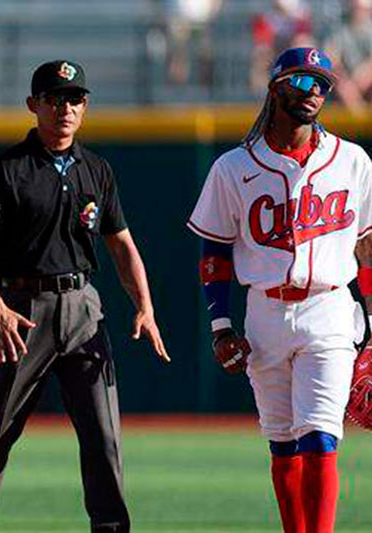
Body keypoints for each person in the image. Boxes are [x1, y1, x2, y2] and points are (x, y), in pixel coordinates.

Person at [0, 59, 170, 533]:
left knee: (104, 438)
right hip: (25, 311)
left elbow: (121, 244)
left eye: (75, 99)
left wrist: (144, 306)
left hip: (84, 308)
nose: (65, 108)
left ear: (85, 107)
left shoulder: (97, 169)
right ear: (34, 105)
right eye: (54, 98)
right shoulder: (9, 169)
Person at [188, 47, 372, 533]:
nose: (314, 92)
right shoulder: (232, 167)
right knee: (283, 443)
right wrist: (221, 325)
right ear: (275, 87)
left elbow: (368, 245)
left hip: (329, 308)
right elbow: (215, 251)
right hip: (263, 312)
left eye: (323, 84)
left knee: (320, 437)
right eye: (303, 81)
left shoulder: (351, 160)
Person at [250, 0, 314, 95]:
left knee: (302, 45)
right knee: (261, 53)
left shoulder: (300, 9)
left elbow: (304, 32)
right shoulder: (266, 11)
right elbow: (262, 35)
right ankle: (261, 94)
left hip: (293, 41)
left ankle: (303, 88)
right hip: (274, 43)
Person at [324, 0, 372, 115]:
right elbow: (332, 58)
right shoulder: (337, 27)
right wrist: (346, 80)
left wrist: (362, 78)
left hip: (366, 79)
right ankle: (361, 124)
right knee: (345, 87)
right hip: (346, 80)